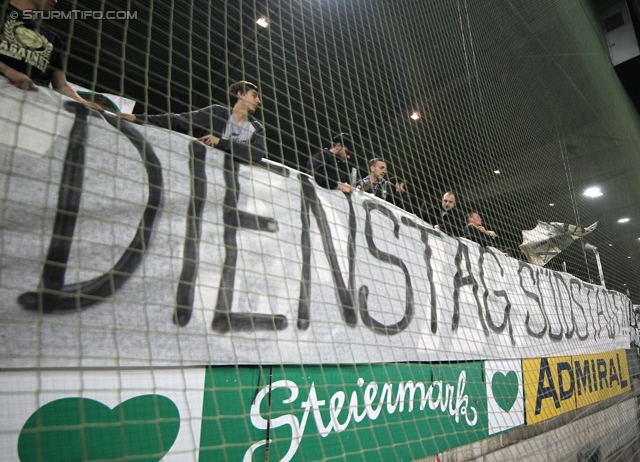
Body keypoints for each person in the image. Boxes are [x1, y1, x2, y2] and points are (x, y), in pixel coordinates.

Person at [118, 81, 266, 164]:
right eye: (254, 96)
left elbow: (257, 154)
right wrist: (141, 118)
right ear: (240, 94)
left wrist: (220, 142)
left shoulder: (257, 128)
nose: (258, 101)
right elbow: (181, 120)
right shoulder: (217, 113)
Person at [0, 0, 100, 108]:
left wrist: (84, 103)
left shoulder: (53, 39)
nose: (56, 0)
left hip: (31, 110)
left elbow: (61, 85)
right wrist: (7, 70)